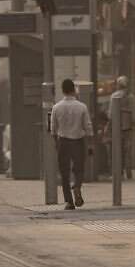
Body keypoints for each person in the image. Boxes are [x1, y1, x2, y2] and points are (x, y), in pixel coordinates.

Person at [51, 78, 93, 210]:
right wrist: (90, 144)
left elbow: (53, 129)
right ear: (74, 90)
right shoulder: (82, 107)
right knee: (79, 168)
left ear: (62, 91)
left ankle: (69, 201)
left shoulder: (56, 107)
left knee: (64, 171)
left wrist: (56, 143)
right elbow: (88, 126)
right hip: (78, 141)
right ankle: (77, 186)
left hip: (63, 141)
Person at [110, 75, 134, 180]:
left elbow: (111, 115)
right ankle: (129, 173)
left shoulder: (114, 96)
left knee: (117, 150)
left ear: (118, 85)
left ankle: (118, 173)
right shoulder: (131, 97)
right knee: (128, 150)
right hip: (128, 127)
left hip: (117, 128)